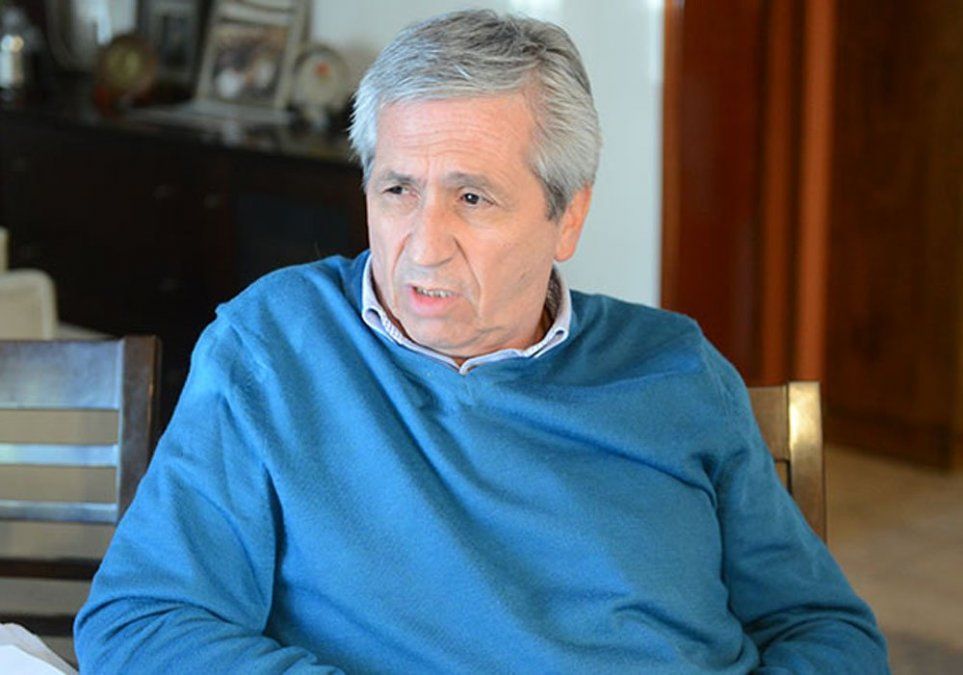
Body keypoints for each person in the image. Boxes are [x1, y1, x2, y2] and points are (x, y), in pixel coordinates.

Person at [75, 10, 889, 673]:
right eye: (398, 189)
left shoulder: (678, 368)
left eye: (471, 197)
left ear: (567, 215)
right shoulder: (274, 346)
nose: (423, 247)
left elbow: (822, 628)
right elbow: (142, 619)